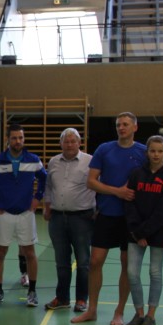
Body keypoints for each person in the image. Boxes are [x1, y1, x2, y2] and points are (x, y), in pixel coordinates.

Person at [70, 112, 146, 325]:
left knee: (126, 264)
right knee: (95, 261)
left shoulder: (143, 152)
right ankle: (92, 310)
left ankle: (119, 311)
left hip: (131, 219)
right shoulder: (104, 149)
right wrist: (117, 192)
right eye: (118, 124)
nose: (121, 128)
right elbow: (91, 182)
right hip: (106, 214)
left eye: (125, 124)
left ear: (135, 127)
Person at [0, 122, 46, 307]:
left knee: (30, 252)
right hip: (3, 214)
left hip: (26, 214)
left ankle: (32, 291)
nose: (18, 141)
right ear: (7, 139)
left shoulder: (33, 160)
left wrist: (37, 198)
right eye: (14, 138)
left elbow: (44, 178)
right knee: (0, 252)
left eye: (21, 138)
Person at [121, 136, 163, 325]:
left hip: (158, 231)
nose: (156, 155)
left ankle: (151, 316)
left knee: (155, 272)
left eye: (160, 151)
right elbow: (129, 202)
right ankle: (139, 313)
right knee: (132, 273)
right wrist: (137, 232)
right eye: (152, 151)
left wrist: (144, 232)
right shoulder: (136, 174)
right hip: (136, 232)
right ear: (147, 152)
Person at [42, 127, 94, 313]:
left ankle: (81, 299)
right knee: (61, 262)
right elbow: (49, 187)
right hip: (57, 218)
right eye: (66, 141)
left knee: (83, 261)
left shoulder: (90, 161)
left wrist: (98, 209)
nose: (70, 144)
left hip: (82, 218)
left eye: (73, 141)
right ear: (61, 144)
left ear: (79, 143)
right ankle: (62, 298)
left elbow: (98, 185)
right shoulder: (53, 161)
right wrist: (47, 207)